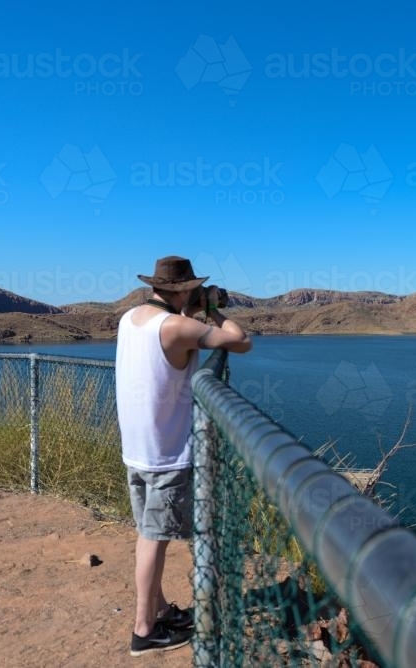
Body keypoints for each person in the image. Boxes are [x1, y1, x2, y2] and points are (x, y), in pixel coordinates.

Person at [115, 255, 252, 656]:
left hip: (136, 449)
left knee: (147, 533)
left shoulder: (130, 318)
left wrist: (194, 307)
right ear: (185, 289)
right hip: (166, 453)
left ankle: (158, 611)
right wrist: (211, 309)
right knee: (153, 539)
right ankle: (144, 630)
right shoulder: (175, 327)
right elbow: (241, 340)